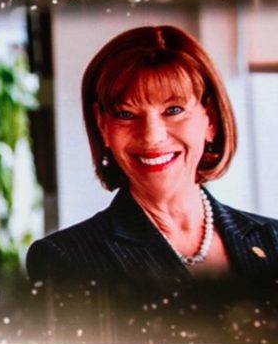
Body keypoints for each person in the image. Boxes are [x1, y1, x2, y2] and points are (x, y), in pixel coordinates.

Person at [26, 25, 278, 295]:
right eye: (126, 114)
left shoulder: (272, 239)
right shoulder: (65, 261)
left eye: (173, 110)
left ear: (211, 120)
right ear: (103, 126)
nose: (151, 137)